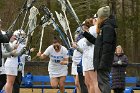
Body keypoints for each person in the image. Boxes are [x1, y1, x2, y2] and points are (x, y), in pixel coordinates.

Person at [82, 6, 117, 93]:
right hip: (101, 60)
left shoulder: (107, 28)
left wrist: (103, 62)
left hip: (104, 61)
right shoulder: (104, 27)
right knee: (101, 83)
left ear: (102, 17)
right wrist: (86, 34)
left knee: (104, 82)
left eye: (98, 16)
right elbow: (97, 43)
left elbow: (107, 47)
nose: (97, 18)